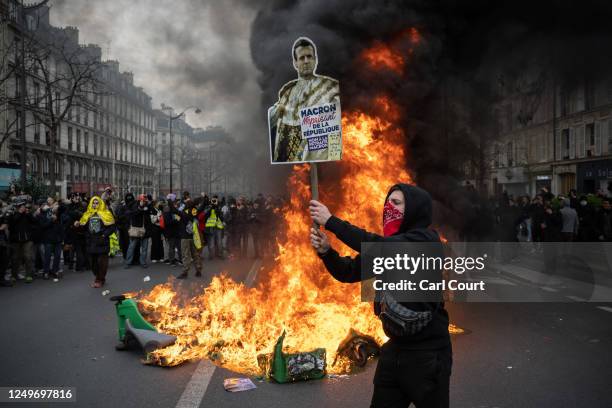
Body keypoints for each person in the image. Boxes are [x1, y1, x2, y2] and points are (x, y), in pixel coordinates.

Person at [309, 184, 452, 407]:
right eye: (387, 203)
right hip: (395, 351)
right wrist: (327, 252)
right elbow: (347, 272)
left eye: (396, 203)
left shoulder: (425, 240)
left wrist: (331, 221)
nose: (389, 208)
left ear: (415, 209)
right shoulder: (389, 247)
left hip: (428, 354)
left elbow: (377, 245)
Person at [269, 37, 340, 163]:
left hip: (319, 156)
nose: (306, 61)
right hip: (289, 161)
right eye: (302, 58)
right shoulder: (287, 91)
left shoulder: (330, 87)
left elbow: (337, 122)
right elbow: (272, 119)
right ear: (295, 63)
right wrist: (277, 110)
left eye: (309, 56)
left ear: (315, 59)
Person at [75, 196, 115, 288]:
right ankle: (99, 277)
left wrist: (104, 235)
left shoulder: (106, 213)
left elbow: (112, 227)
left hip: (102, 242)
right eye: (93, 203)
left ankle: (99, 279)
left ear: (100, 203)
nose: (95, 204)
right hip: (91, 242)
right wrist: (78, 225)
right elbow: (83, 228)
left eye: (97, 203)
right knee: (93, 263)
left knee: (102, 262)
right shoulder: (87, 214)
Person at [7, 199, 37, 283]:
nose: (24, 208)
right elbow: (11, 224)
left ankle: (28, 275)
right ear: (18, 207)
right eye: (22, 206)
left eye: (24, 206)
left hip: (27, 239)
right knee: (15, 258)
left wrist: (28, 214)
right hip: (16, 240)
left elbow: (35, 222)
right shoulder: (12, 214)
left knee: (28, 257)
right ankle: (14, 275)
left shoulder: (27, 214)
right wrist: (20, 213)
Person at [177, 196, 204, 279]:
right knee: (196, 254)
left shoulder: (182, 213)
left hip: (185, 237)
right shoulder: (195, 212)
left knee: (186, 255)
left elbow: (174, 211)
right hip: (194, 237)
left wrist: (169, 200)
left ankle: (185, 272)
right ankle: (198, 270)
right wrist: (204, 197)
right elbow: (201, 207)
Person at [124, 194, 152, 269]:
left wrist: (148, 205)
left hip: (145, 229)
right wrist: (140, 207)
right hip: (136, 229)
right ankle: (128, 262)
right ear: (139, 200)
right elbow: (133, 214)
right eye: (143, 200)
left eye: (145, 200)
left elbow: (150, 214)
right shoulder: (134, 205)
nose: (144, 201)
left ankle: (143, 262)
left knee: (144, 248)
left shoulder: (148, 206)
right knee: (131, 247)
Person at [203, 195, 225, 260]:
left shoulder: (219, 207)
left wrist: (217, 207)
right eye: (213, 200)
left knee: (219, 242)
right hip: (211, 227)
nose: (214, 201)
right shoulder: (209, 207)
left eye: (215, 200)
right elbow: (206, 215)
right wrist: (211, 207)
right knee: (211, 243)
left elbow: (221, 217)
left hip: (218, 226)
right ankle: (211, 255)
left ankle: (220, 254)